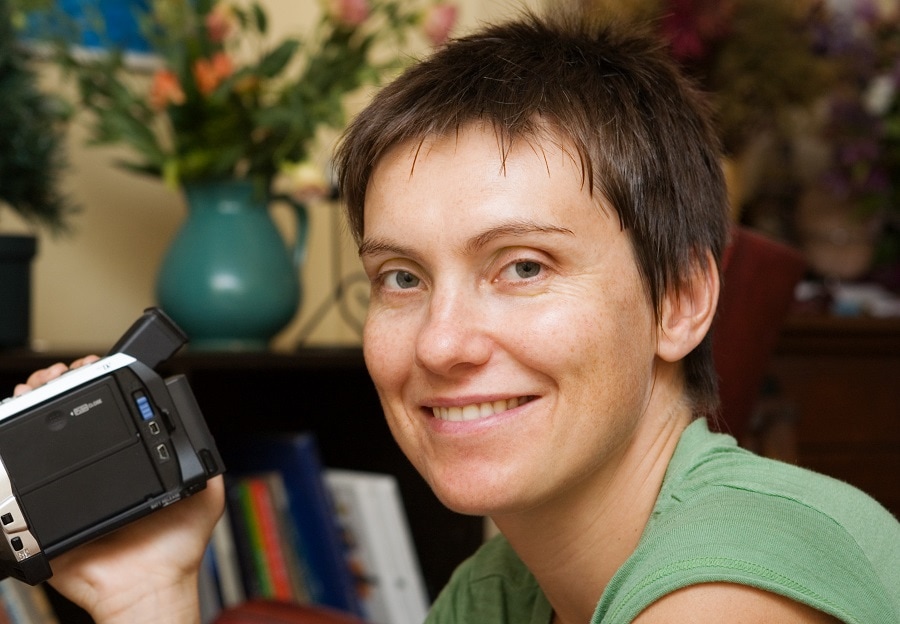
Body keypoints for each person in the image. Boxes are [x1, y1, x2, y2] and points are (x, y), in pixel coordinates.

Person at [18, 6, 899, 624]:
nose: (440, 343)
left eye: (522, 266)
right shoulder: (504, 587)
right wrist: (151, 600)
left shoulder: (735, 574)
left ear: (682, 300)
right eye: (400, 278)